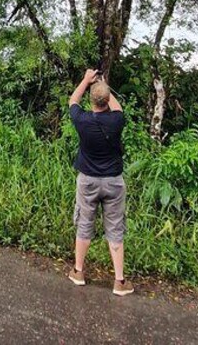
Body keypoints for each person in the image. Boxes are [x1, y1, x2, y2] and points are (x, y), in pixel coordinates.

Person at [67, 69, 133, 296]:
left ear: (92, 100)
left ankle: (78, 271)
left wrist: (86, 80)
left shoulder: (82, 120)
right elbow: (118, 108)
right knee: (114, 228)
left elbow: (73, 101)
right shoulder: (117, 120)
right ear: (107, 100)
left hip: (88, 181)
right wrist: (104, 84)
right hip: (113, 181)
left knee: (85, 223)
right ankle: (120, 281)